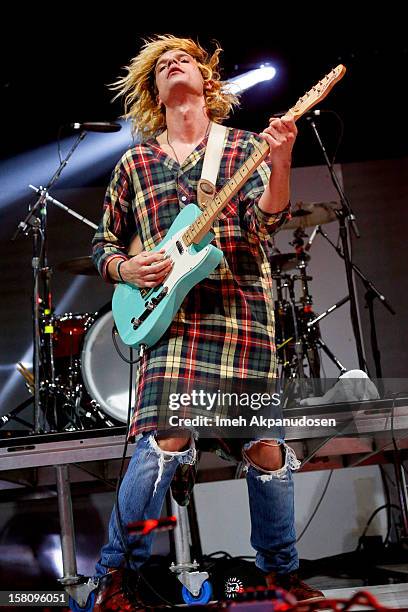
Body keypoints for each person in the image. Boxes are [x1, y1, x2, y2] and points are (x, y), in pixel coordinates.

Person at [92, 34, 324, 610]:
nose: (174, 64)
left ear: (206, 80)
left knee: (266, 446)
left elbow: (266, 222)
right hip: (170, 322)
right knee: (165, 439)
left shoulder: (244, 146)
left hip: (241, 308)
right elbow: (102, 245)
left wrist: (281, 159)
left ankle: (279, 579)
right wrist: (125, 266)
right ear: (155, 91)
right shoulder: (135, 163)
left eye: (184, 59)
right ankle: (116, 577)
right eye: (163, 64)